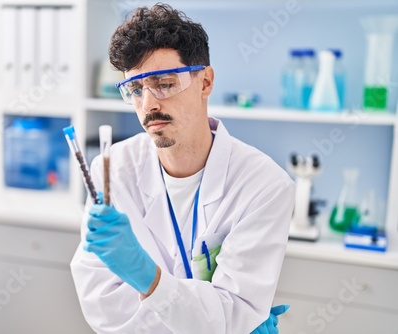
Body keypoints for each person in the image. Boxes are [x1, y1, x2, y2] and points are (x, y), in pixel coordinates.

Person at [70, 3, 295, 333]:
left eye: (164, 83)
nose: (149, 105)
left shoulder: (264, 186)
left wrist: (149, 281)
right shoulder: (112, 171)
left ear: (205, 82)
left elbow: (236, 314)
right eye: (134, 90)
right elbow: (103, 309)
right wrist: (208, 316)